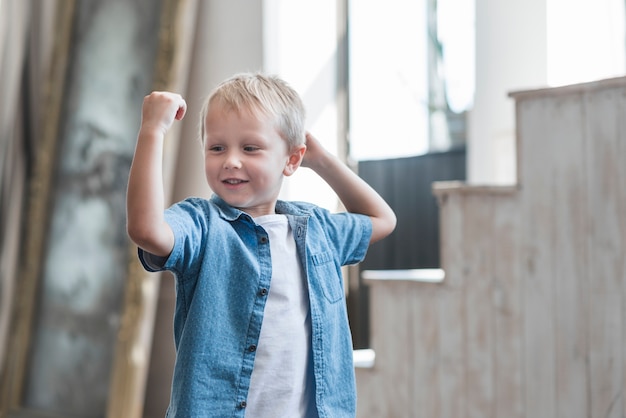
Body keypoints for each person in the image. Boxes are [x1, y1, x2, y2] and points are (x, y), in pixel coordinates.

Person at [126, 72, 396, 417]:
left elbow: (383, 220)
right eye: (217, 147)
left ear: (292, 160)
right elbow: (146, 229)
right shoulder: (202, 224)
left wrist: (322, 161)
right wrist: (153, 131)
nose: (231, 160)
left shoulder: (316, 230)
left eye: (250, 148)